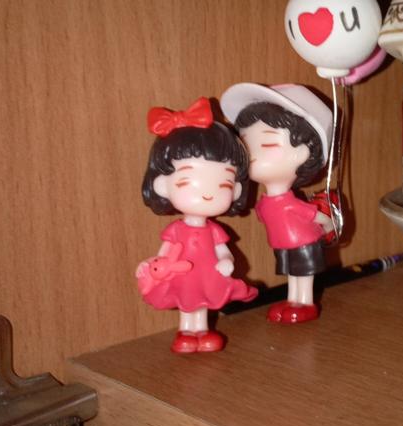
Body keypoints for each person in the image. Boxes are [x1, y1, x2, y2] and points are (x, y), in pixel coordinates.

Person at [137, 97, 257, 353]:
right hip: (183, 275)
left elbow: (223, 251)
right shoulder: (176, 230)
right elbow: (164, 253)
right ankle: (186, 331)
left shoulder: (214, 230)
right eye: (187, 181)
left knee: (202, 300)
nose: (208, 194)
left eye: (223, 184)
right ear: (162, 185)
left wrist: (227, 261)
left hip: (207, 274)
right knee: (186, 299)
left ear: (235, 189)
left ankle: (202, 330)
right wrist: (156, 267)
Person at [221, 83, 333, 324]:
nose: (251, 155)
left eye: (266, 144)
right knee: (292, 273)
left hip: (304, 242)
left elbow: (315, 216)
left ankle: (305, 302)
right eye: (246, 146)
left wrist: (329, 225)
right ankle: (293, 300)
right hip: (282, 244)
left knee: (303, 274)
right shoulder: (265, 202)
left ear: (301, 153)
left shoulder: (289, 202)